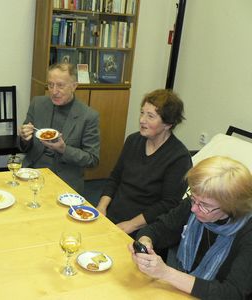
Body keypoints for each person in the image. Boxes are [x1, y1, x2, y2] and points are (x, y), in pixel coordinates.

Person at [130, 156, 252, 299]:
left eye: (204, 205)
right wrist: (145, 243)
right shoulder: (195, 203)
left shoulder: (247, 233)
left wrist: (166, 273)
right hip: (181, 291)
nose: (194, 209)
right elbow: (158, 229)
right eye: (193, 198)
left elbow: (233, 293)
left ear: (231, 206)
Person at [96, 89, 192, 237]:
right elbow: (115, 177)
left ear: (168, 124)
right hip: (113, 214)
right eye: (142, 113)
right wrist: (101, 207)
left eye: (150, 116)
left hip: (144, 228)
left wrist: (131, 225)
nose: (142, 120)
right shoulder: (133, 140)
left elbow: (168, 205)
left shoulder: (179, 158)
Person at [19, 63, 100, 194]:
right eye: (50, 85)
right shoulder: (37, 104)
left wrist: (64, 150)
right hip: (33, 171)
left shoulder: (88, 116)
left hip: (65, 178)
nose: (54, 91)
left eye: (60, 85)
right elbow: (23, 146)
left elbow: (92, 160)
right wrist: (24, 138)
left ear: (74, 86)